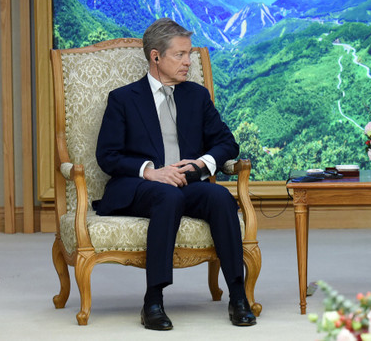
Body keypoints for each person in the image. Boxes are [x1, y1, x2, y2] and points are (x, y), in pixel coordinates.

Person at [94, 18, 256, 330]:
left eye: (190, 54)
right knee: (166, 195)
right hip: (140, 187)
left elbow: (227, 143)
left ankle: (238, 296)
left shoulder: (196, 95)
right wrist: (150, 172)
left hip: (186, 184)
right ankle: (152, 300)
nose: (188, 62)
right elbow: (107, 156)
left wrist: (202, 164)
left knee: (220, 197)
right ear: (156, 57)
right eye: (180, 55)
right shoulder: (124, 99)